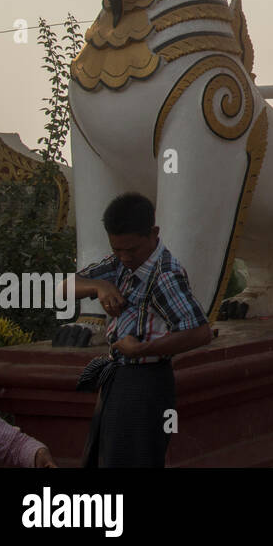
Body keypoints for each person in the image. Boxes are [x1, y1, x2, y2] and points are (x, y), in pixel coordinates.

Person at [71, 193, 213, 467]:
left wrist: (141, 350)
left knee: (134, 460)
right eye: (117, 249)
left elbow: (200, 332)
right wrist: (100, 286)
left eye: (131, 250)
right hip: (118, 377)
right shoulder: (118, 265)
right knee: (109, 459)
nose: (124, 257)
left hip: (146, 382)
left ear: (153, 233)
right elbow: (64, 286)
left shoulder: (164, 275)